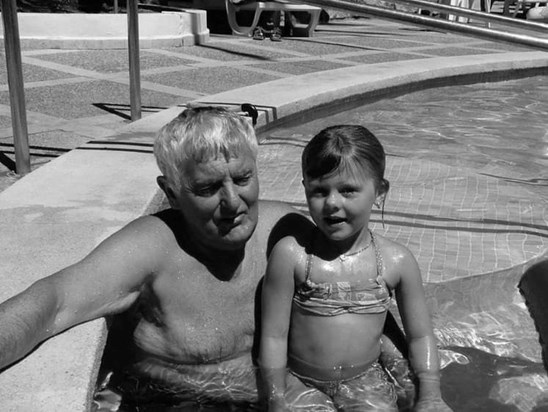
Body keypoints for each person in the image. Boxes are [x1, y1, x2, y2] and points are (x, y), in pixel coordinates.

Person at [0, 107, 311, 410]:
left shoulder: (283, 233)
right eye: (208, 188)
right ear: (171, 193)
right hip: (170, 401)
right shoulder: (152, 247)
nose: (232, 202)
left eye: (243, 178)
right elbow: (54, 301)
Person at [259, 125, 451, 411]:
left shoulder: (396, 261)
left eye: (348, 190)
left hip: (363, 380)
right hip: (301, 381)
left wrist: (431, 396)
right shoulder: (292, 256)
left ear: (379, 191)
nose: (332, 203)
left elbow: (421, 336)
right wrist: (275, 398)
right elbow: (273, 336)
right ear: (305, 188)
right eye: (319, 191)